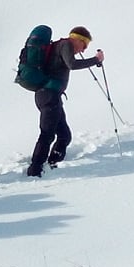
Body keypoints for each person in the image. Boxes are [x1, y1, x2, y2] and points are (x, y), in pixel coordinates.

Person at [26, 27, 103, 177]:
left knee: (64, 135)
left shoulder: (58, 46)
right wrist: (96, 60)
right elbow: (72, 64)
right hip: (49, 95)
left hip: (48, 95)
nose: (83, 50)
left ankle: (52, 164)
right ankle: (35, 170)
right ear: (79, 39)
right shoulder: (66, 44)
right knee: (47, 134)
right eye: (84, 45)